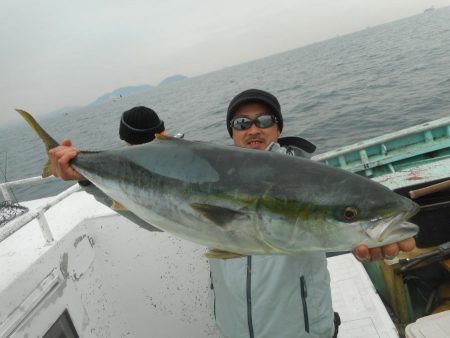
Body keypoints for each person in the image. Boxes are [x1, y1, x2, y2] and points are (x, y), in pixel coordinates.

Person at [208, 88, 416, 338]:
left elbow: (334, 227)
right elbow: (155, 218)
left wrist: (365, 239)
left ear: (278, 128)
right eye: (242, 123)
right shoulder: (209, 180)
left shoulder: (311, 184)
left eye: (264, 120)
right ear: (232, 131)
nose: (253, 129)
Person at [49, 106, 167, 231]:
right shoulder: (187, 153)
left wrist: (86, 180)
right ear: (163, 133)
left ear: (128, 142)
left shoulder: (144, 175)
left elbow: (155, 221)